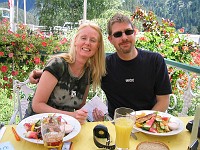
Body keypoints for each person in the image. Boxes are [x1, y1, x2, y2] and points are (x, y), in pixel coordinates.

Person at [29, 13, 172, 120]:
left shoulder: (155, 61)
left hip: (146, 123)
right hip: (44, 123)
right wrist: (44, 73)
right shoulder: (103, 66)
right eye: (118, 34)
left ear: (134, 33)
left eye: (128, 32)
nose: (124, 37)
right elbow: (62, 71)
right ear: (110, 39)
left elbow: (164, 101)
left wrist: (141, 123)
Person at [24, 21, 106, 124]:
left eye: (93, 40)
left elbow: (80, 106)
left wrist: (94, 116)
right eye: (83, 38)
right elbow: (37, 105)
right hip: (37, 126)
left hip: (65, 127)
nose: (87, 43)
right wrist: (71, 116)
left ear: (97, 47)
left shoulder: (89, 73)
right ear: (75, 41)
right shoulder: (58, 65)